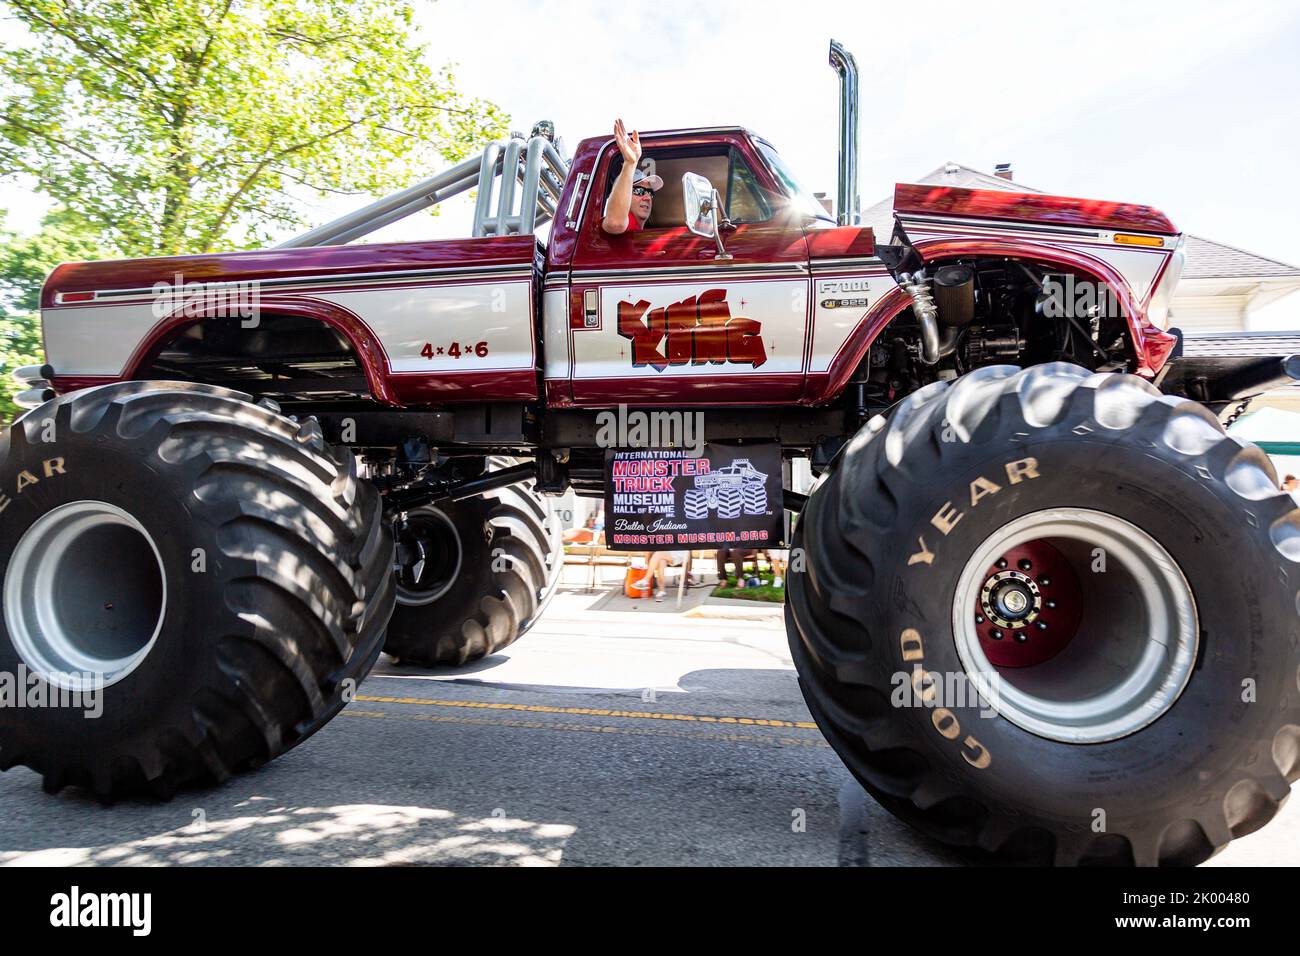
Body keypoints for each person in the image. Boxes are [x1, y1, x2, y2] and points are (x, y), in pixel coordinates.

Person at [601, 118, 663, 234]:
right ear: (625, 195)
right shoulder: (627, 223)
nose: (647, 198)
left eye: (650, 193)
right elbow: (615, 223)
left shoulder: (639, 232)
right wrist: (630, 163)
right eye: (639, 191)